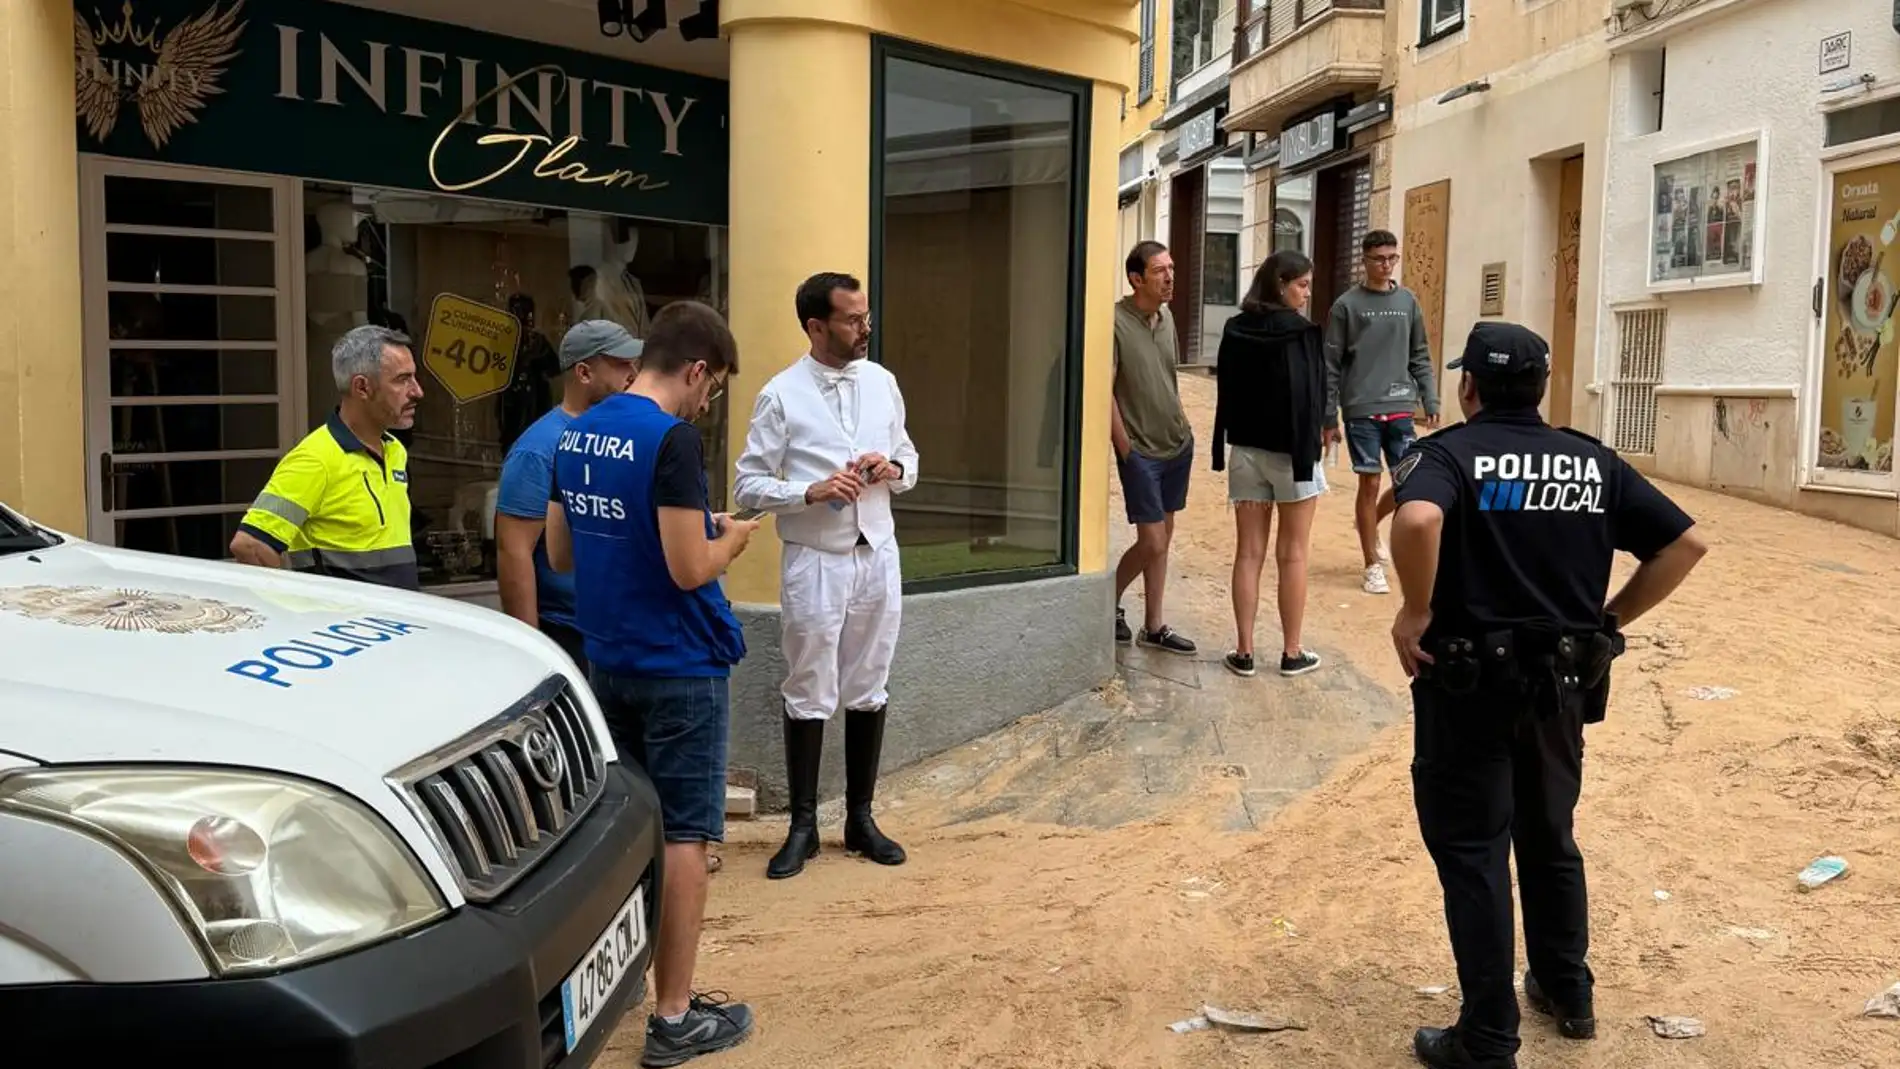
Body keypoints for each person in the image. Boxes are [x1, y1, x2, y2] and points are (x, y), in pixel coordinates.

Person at [1385, 321, 1708, 1069]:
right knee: (1549, 832)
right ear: (1541, 387)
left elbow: (1419, 516)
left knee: (1473, 849)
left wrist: (1414, 608)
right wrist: (1607, 620)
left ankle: (1489, 1035)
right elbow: (1685, 545)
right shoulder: (1591, 460)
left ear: (1468, 388)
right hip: (1562, 680)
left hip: (1468, 685)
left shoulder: (1446, 455)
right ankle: (1568, 989)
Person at [544, 301, 759, 1067]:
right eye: (714, 388)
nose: (709, 404)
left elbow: (562, 554)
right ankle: (672, 1018)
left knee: (631, 831)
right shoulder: (673, 441)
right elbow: (687, 566)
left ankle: (630, 984)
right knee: (685, 837)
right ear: (696, 369)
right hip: (679, 665)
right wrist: (728, 538)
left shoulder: (579, 432)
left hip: (610, 659)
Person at [734, 271, 918, 880]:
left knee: (871, 681)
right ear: (817, 327)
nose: (867, 327)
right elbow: (748, 487)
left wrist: (888, 466)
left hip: (877, 552)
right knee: (809, 685)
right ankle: (803, 826)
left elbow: (910, 461)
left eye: (866, 316)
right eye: (853, 319)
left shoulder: (883, 382)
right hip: (815, 559)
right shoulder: (780, 394)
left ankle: (861, 819)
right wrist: (808, 490)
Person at [495, 320, 642, 670]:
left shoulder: (620, 438)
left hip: (620, 631)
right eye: (620, 363)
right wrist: (531, 655)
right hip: (568, 633)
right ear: (584, 372)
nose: (632, 373)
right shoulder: (538, 449)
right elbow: (513, 551)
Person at [231, 324, 424, 589]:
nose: (417, 391)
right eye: (402, 380)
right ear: (362, 388)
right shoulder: (315, 459)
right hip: (346, 626)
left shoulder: (394, 450)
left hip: (399, 622)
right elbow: (250, 545)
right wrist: (296, 607)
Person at [1210, 250, 1327, 679]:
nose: (1307, 292)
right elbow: (1311, 395)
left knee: (1249, 552)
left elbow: (1225, 389)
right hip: (1292, 454)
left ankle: (1244, 651)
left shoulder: (1235, 328)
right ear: (1281, 283)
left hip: (1245, 451)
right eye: (1302, 284)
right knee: (1293, 554)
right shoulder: (1301, 332)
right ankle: (1291, 652)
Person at [1323, 229, 1440, 596]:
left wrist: (1431, 399)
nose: (1386, 265)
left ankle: (1369, 524)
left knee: (1408, 480)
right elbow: (1331, 364)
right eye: (1378, 258)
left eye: (1392, 258)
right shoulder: (1346, 306)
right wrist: (1329, 415)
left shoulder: (1408, 302)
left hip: (1401, 405)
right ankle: (1371, 563)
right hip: (1360, 407)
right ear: (1365, 260)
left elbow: (1419, 354)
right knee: (1369, 481)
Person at [1112, 240, 1196, 654]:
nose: (1170, 277)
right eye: (1160, 270)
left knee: (1164, 539)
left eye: (1171, 268)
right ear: (1136, 278)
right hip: (1140, 450)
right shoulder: (1114, 321)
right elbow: (1105, 390)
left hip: (1175, 445)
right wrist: (1124, 446)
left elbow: (1169, 378)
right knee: (1152, 541)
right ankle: (1104, 603)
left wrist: (1183, 424)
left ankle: (1155, 625)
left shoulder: (1167, 320)